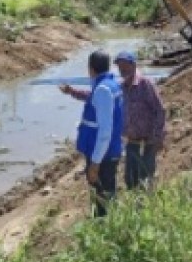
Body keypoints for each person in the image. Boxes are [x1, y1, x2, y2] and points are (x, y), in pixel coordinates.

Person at [59, 49, 123, 217]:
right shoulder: (110, 84)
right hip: (108, 151)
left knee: (102, 196)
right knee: (106, 193)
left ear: (91, 68)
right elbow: (93, 98)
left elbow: (105, 131)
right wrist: (72, 92)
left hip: (102, 154)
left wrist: (95, 163)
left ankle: (105, 226)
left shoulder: (103, 89)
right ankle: (110, 223)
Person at [113, 50, 166, 191]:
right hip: (132, 142)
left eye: (125, 65)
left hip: (148, 142)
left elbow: (159, 110)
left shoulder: (145, 84)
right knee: (130, 180)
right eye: (120, 66)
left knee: (146, 179)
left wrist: (158, 137)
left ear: (134, 65)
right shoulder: (122, 87)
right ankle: (134, 203)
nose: (122, 69)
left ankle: (148, 203)